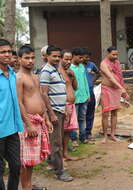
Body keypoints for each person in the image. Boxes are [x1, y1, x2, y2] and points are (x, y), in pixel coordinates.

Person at [16, 45, 53, 190]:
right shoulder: (19, 78)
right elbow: (19, 102)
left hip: (39, 120)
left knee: (32, 159)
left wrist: (47, 118)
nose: (30, 61)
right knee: (25, 160)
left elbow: (40, 98)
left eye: (32, 57)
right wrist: (28, 124)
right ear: (19, 59)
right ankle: (26, 187)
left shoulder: (35, 76)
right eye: (26, 58)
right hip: (27, 123)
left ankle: (29, 186)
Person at [40, 45, 73, 182]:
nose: (57, 58)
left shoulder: (57, 69)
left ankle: (53, 164)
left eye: (58, 56)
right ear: (47, 57)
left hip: (60, 110)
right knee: (56, 143)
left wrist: (65, 107)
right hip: (54, 112)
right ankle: (60, 172)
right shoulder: (46, 71)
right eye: (54, 56)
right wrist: (51, 114)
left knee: (55, 141)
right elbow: (43, 94)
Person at [0, 39, 24, 190]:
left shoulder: (13, 74)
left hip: (13, 129)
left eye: (9, 51)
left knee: (16, 166)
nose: (7, 54)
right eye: (3, 52)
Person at [100, 46, 128, 144]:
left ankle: (112, 134)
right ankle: (105, 136)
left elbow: (120, 77)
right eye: (113, 54)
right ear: (107, 54)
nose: (115, 56)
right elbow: (111, 78)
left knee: (115, 113)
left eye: (116, 54)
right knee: (105, 114)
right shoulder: (103, 64)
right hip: (107, 90)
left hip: (116, 90)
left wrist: (122, 90)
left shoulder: (117, 63)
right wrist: (121, 88)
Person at [60, 50, 78, 160]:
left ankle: (65, 153)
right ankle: (58, 157)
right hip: (63, 105)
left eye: (70, 59)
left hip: (71, 104)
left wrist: (73, 76)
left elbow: (75, 87)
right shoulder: (58, 71)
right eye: (66, 59)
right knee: (60, 132)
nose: (68, 61)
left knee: (67, 131)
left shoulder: (70, 71)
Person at [70, 48, 90, 146]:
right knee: (73, 119)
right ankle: (73, 139)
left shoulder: (82, 67)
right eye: (80, 57)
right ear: (73, 56)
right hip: (74, 98)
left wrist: (88, 94)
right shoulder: (69, 67)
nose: (82, 59)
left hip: (84, 97)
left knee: (82, 118)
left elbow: (85, 81)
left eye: (82, 57)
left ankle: (83, 137)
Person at [82, 48, 100, 141]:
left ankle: (88, 132)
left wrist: (92, 81)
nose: (87, 59)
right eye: (85, 57)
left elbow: (98, 73)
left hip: (90, 91)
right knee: (81, 114)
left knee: (90, 112)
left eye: (88, 57)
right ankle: (81, 133)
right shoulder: (78, 66)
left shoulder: (91, 65)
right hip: (81, 93)